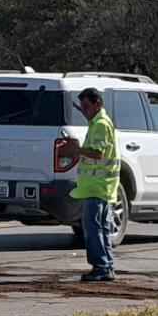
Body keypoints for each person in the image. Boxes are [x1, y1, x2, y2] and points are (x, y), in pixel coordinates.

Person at [64, 88, 120, 282]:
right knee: (102, 227)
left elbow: (97, 153)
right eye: (82, 108)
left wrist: (76, 150)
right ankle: (106, 265)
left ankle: (101, 266)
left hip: (98, 186)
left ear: (98, 104)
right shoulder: (98, 123)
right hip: (99, 186)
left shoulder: (100, 125)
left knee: (94, 227)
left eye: (87, 106)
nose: (84, 111)